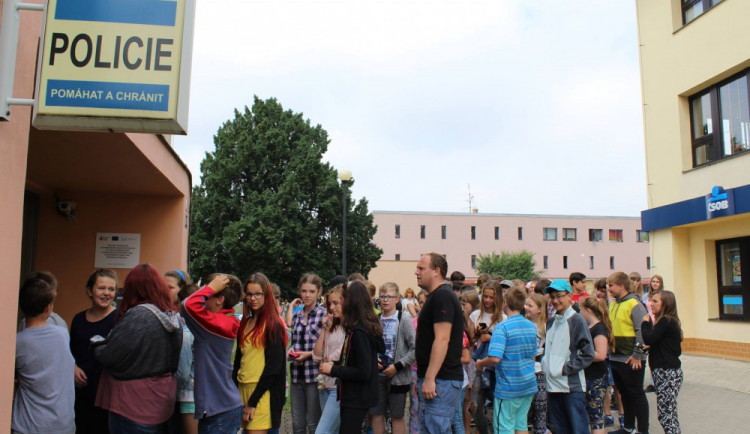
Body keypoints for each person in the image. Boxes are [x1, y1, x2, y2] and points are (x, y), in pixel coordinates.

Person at [93, 264, 183, 433]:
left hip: (131, 405)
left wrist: (97, 343)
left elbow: (110, 356)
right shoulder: (172, 316)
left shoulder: (139, 315)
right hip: (159, 401)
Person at [13, 271, 75, 434]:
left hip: (29, 424)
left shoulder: (17, 343)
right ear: (49, 308)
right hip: (62, 423)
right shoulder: (61, 333)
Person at [319, 280, 385, 434]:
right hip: (354, 395)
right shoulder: (356, 328)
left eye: (342, 300)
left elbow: (363, 372)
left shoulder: (359, 332)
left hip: (356, 397)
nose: (338, 305)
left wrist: (333, 369)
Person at [182, 273, 244, 434]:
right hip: (223, 407)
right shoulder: (223, 320)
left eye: (208, 293)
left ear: (219, 299)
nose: (204, 297)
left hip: (219, 412)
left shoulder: (214, 325)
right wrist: (211, 288)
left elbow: (187, 305)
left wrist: (210, 287)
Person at [414, 252, 464, 434]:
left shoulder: (442, 296)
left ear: (436, 271)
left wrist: (429, 378)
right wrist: (423, 377)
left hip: (441, 380)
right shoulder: (436, 296)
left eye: (421, 268)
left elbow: (442, 339)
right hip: (437, 379)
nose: (416, 272)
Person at [476, 287, 537, 434]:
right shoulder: (531, 326)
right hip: (528, 383)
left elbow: (495, 358)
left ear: (506, 303)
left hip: (508, 387)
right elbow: (533, 355)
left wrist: (480, 363)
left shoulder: (502, 327)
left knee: (504, 426)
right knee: (521, 425)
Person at [233, 273, 288, 433]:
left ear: (266, 295)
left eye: (258, 294)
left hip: (262, 393)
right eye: (249, 294)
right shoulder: (245, 323)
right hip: (242, 390)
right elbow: (238, 361)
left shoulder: (273, 325)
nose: (253, 298)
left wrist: (253, 401)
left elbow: (273, 368)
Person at [541, 279, 594, 434]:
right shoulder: (551, 321)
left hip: (571, 387)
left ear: (569, 296)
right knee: (559, 429)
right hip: (553, 386)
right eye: (552, 297)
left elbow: (588, 353)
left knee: (578, 429)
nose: (555, 301)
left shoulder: (577, 320)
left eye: (559, 296)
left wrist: (564, 369)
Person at [69, 269, 118, 434]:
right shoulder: (78, 319)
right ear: (89, 291)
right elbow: (70, 352)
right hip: (79, 396)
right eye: (101, 288)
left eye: (111, 289)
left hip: (107, 398)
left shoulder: (120, 319)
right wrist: (73, 367)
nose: (106, 293)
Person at [368, 282, 416, 434]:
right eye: (382, 296)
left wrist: (398, 366)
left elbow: (415, 348)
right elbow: (369, 346)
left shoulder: (404, 319)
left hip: (398, 376)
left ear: (397, 299)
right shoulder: (375, 319)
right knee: (376, 413)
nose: (385, 300)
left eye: (389, 296)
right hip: (377, 375)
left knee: (397, 415)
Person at [607, 271, 649, 434]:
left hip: (631, 358)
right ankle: (629, 427)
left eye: (611, 286)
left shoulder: (635, 304)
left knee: (636, 394)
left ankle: (643, 430)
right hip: (616, 357)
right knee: (625, 394)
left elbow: (642, 331)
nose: (609, 289)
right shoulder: (615, 304)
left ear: (622, 286)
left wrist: (638, 355)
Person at [288, 273, 326, 434]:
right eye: (304, 291)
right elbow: (294, 342)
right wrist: (291, 351)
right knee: (297, 425)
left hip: (314, 375)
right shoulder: (296, 316)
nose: (307, 295)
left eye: (311, 291)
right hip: (297, 375)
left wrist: (308, 354)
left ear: (318, 292)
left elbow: (327, 347)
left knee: (313, 424)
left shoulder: (323, 315)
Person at [641, 290, 683, 434]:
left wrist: (645, 324)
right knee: (666, 414)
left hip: (668, 373)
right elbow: (655, 343)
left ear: (666, 304)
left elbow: (649, 339)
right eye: (651, 300)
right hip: (664, 372)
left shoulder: (666, 321)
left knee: (667, 415)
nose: (651, 304)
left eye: (655, 301)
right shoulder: (664, 321)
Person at [165, 270, 199, 434]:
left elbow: (183, 370)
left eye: (169, 287)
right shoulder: (165, 315)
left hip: (183, 394)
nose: (164, 290)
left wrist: (170, 392)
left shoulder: (187, 323)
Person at [469, 279, 504, 434]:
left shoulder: (503, 318)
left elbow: (506, 343)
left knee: (498, 408)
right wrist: (476, 333)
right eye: (486, 296)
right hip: (478, 367)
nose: (488, 300)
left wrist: (490, 337)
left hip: (496, 368)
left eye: (492, 297)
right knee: (474, 407)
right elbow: (468, 340)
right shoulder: (475, 315)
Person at [313, 285, 346, 434]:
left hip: (338, 387)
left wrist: (328, 360)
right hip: (324, 384)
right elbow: (316, 355)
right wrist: (324, 330)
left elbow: (342, 355)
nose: (332, 308)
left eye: (336, 303)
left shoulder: (350, 328)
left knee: (322, 431)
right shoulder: (331, 326)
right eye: (329, 304)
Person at [580, 297, 615, 434]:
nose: (580, 312)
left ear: (588, 310)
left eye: (581, 309)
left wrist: (580, 355)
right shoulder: (591, 326)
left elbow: (600, 354)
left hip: (596, 377)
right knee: (593, 415)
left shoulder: (599, 328)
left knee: (596, 416)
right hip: (589, 375)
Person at [524, 293, 548, 434]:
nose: (526, 307)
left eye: (530, 305)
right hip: (527, 370)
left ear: (539, 309)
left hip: (538, 371)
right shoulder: (524, 323)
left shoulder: (544, 326)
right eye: (526, 304)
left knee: (540, 409)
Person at [460, 291, 480, 434]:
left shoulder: (473, 319)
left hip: (471, 363)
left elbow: (473, 341)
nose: (462, 306)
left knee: (470, 399)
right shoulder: (462, 318)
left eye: (464, 303)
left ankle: (469, 429)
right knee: (464, 399)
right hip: (464, 363)